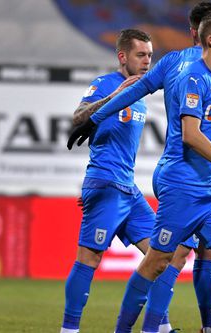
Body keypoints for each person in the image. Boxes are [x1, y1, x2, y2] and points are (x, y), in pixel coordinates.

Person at [67, 3, 211, 333]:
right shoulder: (188, 71)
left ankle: (209, 325)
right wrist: (94, 117)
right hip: (180, 182)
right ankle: (136, 328)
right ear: (208, 38)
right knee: (160, 260)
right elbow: (189, 132)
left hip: (208, 183)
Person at [61, 29, 179, 333]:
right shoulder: (105, 84)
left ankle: (162, 327)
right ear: (122, 56)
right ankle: (69, 330)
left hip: (129, 190)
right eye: (141, 55)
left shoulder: (141, 93)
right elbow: (78, 118)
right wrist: (115, 96)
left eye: (151, 56)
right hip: (107, 185)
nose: (147, 61)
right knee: (90, 257)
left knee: (162, 256)